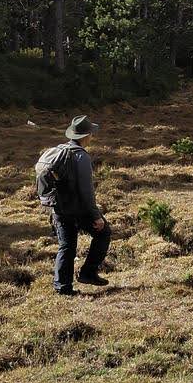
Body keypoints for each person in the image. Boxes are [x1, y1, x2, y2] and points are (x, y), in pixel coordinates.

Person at [49, 115, 111, 295]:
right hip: (77, 208)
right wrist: (96, 216)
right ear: (86, 136)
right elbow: (86, 190)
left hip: (59, 207)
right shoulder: (81, 157)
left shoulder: (60, 150)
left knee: (66, 246)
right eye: (91, 133)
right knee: (104, 233)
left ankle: (63, 287)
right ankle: (88, 272)